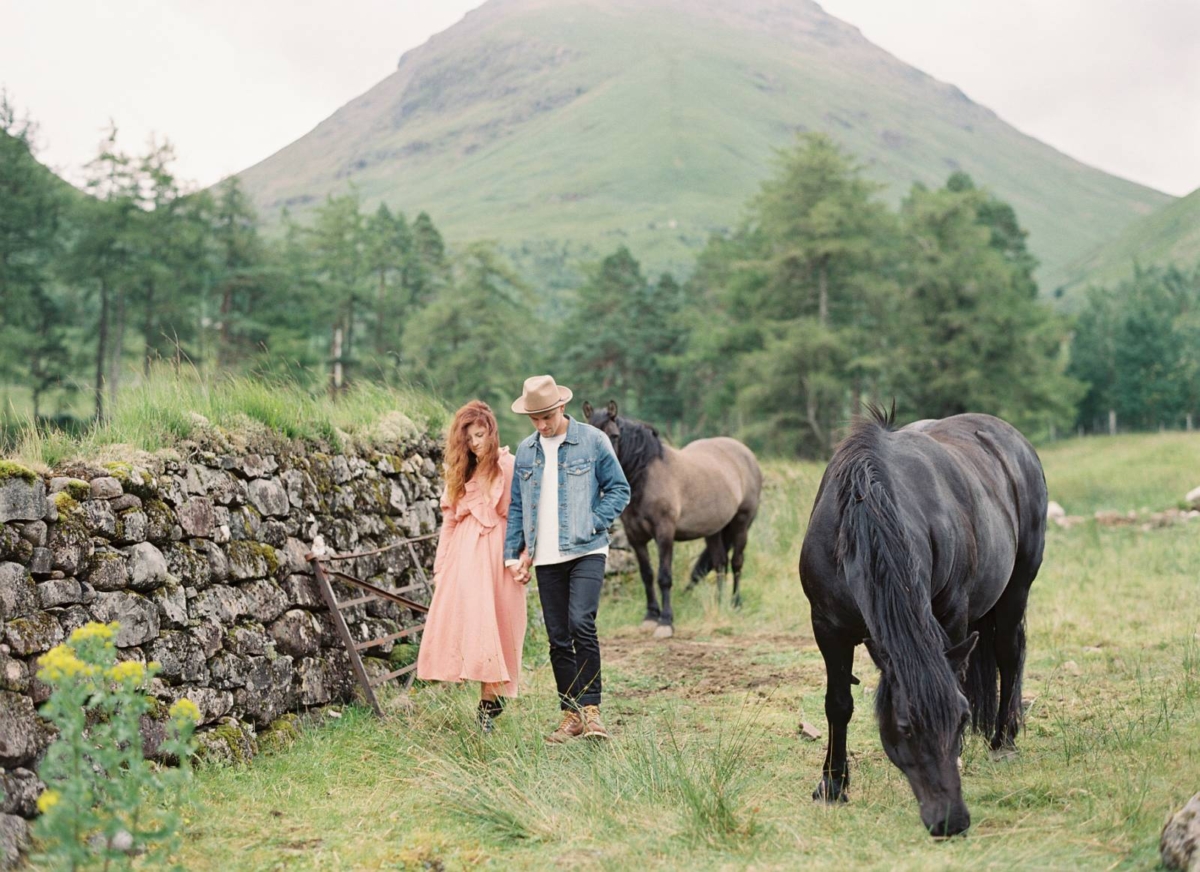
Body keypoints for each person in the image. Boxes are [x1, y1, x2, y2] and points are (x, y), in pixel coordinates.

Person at [504, 375, 631, 742]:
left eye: (546, 416)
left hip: (587, 549)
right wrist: (515, 554)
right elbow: (517, 507)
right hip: (546, 556)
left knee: (580, 623)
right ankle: (570, 713)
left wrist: (593, 520)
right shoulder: (527, 451)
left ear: (561, 406)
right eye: (535, 419)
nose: (542, 425)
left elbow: (619, 489)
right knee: (558, 636)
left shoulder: (592, 441)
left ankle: (592, 711)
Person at [416, 400, 526, 733]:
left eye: (479, 435)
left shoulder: (508, 466)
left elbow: (521, 514)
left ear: (491, 432)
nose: (475, 443)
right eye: (468, 438)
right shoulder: (460, 472)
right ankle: (486, 708)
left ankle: (494, 702)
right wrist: (442, 564)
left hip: (500, 554)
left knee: (504, 624)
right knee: (475, 627)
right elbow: (449, 520)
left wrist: (523, 555)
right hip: (465, 556)